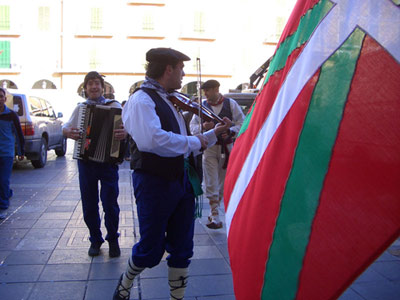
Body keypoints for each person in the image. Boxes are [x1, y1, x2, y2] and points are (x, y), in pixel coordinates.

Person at [113, 48, 232, 300]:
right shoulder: (141, 100)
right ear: (168, 69)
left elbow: (188, 141)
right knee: (150, 249)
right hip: (153, 182)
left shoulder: (171, 99)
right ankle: (125, 283)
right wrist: (198, 139)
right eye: (180, 68)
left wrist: (214, 134)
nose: (183, 74)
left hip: (181, 180)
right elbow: (153, 141)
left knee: (182, 247)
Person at [63, 71, 127, 257]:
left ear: (102, 87)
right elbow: (66, 126)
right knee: (89, 203)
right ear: (85, 87)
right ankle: (95, 239)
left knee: (110, 203)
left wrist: (125, 134)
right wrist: (68, 132)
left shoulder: (115, 106)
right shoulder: (80, 108)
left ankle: (113, 240)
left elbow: (128, 127)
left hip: (108, 163)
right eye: (90, 84)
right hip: (86, 162)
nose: (93, 87)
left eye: (97, 83)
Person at [190, 79, 245, 229]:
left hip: (227, 148)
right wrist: (203, 126)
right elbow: (192, 126)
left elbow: (243, 123)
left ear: (216, 89)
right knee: (210, 180)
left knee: (223, 182)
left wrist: (231, 130)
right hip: (209, 148)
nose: (205, 94)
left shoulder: (231, 104)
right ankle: (215, 215)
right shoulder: (202, 106)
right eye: (204, 91)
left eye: (208, 90)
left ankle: (215, 210)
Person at [0, 87, 24, 219]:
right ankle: (6, 193)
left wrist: (21, 151)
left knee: (3, 180)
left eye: (1, 96)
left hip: (6, 153)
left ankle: (3, 206)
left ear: (5, 98)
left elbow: (19, 134)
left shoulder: (11, 115)